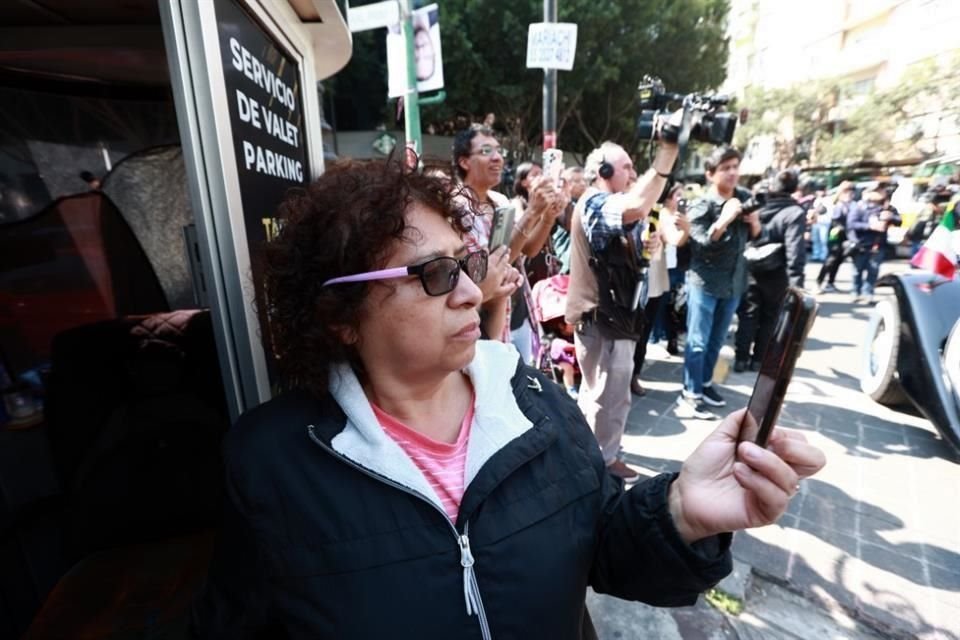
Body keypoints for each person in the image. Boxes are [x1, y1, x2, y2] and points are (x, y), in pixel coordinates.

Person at [192, 157, 826, 638]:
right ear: (341, 315)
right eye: (436, 275)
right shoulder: (270, 462)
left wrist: (683, 514)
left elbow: (604, 548)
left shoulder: (534, 402)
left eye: (466, 264)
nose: (472, 291)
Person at [565, 138, 674, 481]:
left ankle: (594, 457)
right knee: (607, 398)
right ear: (604, 171)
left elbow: (630, 231)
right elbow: (638, 207)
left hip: (614, 318)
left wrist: (644, 246)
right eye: (625, 166)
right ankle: (600, 464)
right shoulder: (596, 202)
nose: (632, 173)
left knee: (602, 395)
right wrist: (666, 156)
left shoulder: (607, 204)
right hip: (605, 318)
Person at [451, 125, 561, 340]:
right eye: (486, 151)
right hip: (478, 327)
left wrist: (547, 217)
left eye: (498, 151)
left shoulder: (499, 201)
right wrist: (532, 212)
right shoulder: (455, 209)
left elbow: (527, 249)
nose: (497, 158)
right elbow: (489, 271)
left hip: (514, 315)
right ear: (464, 162)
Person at [680, 146, 760, 419]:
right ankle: (690, 394)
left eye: (735, 166)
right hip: (704, 282)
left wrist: (755, 222)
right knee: (698, 341)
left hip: (733, 282)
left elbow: (754, 237)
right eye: (725, 168)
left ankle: (704, 384)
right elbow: (699, 244)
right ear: (710, 174)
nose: (733, 172)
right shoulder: (702, 204)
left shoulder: (744, 197)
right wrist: (724, 220)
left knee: (716, 341)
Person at [734, 171, 807, 372]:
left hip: (750, 266)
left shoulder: (757, 204)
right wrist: (797, 283)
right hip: (777, 272)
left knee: (748, 314)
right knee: (770, 317)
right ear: (794, 189)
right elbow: (795, 250)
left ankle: (740, 359)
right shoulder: (794, 213)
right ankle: (758, 360)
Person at [651, 183, 692, 356]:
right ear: (668, 197)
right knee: (662, 305)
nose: (680, 199)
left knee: (675, 305)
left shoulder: (681, 216)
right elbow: (674, 239)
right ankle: (657, 339)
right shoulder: (662, 215)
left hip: (677, 267)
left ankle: (669, 338)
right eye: (677, 195)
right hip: (663, 266)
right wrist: (685, 230)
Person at [846, 187, 901, 304]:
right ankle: (855, 291)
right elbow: (851, 224)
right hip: (861, 245)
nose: (879, 193)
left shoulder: (887, 208)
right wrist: (870, 226)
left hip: (878, 245)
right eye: (875, 191)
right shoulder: (859, 207)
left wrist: (890, 217)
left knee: (873, 270)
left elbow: (899, 221)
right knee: (857, 271)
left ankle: (868, 293)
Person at [815, 181, 856, 294]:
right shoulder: (832, 202)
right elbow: (820, 211)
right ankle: (819, 282)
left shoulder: (853, 204)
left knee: (839, 260)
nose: (849, 194)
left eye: (851, 191)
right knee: (831, 259)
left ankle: (830, 283)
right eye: (847, 191)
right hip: (833, 235)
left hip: (846, 236)